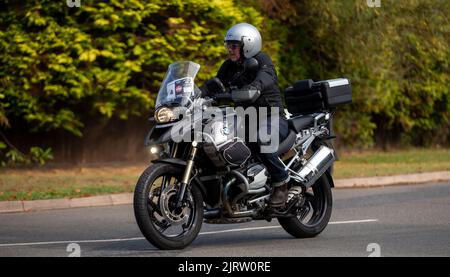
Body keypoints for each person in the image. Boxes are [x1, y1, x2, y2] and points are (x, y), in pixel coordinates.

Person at [202, 23, 290, 207]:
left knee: (261, 138)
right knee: (217, 142)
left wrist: (255, 87)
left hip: (272, 118)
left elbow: (266, 78)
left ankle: (281, 183)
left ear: (248, 45)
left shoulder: (262, 61)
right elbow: (214, 84)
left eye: (234, 45)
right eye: (228, 45)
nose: (230, 50)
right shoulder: (229, 66)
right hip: (245, 119)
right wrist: (195, 94)